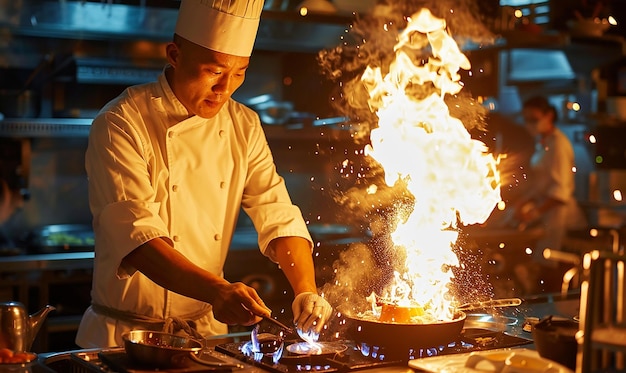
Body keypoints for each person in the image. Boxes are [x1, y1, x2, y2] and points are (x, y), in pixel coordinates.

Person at [75, 0, 332, 348]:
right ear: (175, 55)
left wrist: (306, 290)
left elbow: (277, 211)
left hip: (204, 340)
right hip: (125, 341)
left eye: (239, 73)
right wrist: (217, 291)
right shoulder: (121, 122)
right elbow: (138, 241)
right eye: (214, 70)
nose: (225, 88)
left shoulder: (244, 124)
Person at [512, 95, 586, 294]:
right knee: (541, 265)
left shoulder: (560, 145)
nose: (530, 125)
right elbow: (540, 185)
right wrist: (522, 202)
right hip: (547, 212)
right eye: (526, 120)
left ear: (549, 116)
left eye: (534, 120)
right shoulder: (543, 143)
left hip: (560, 216)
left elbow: (560, 191)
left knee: (551, 270)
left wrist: (535, 212)